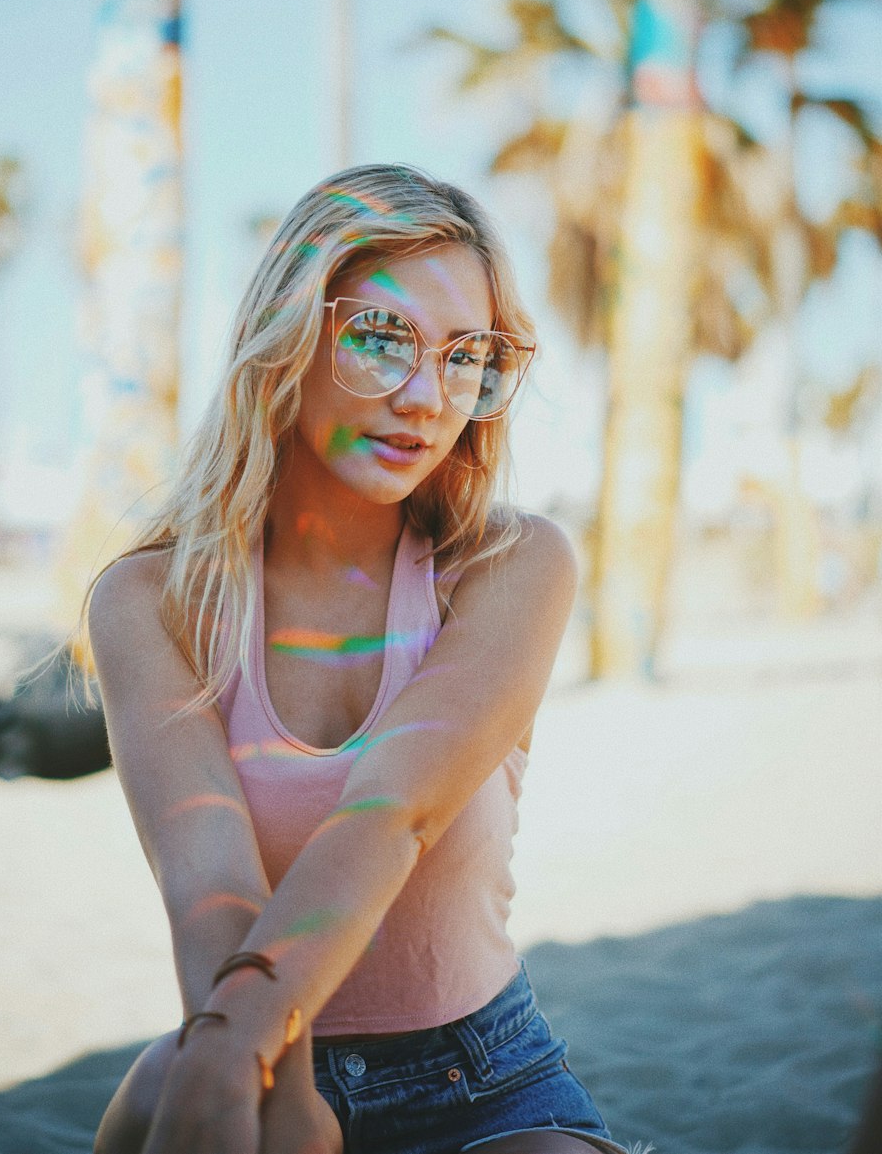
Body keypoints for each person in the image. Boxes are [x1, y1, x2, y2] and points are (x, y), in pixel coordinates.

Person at [85, 164, 627, 1154]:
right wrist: (249, 1061)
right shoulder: (150, 603)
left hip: (485, 1079)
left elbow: (393, 813)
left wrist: (236, 1040)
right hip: (235, 1043)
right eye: (381, 342)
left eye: (466, 356)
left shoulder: (509, 567)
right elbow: (207, 882)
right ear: (290, 335)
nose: (429, 397)